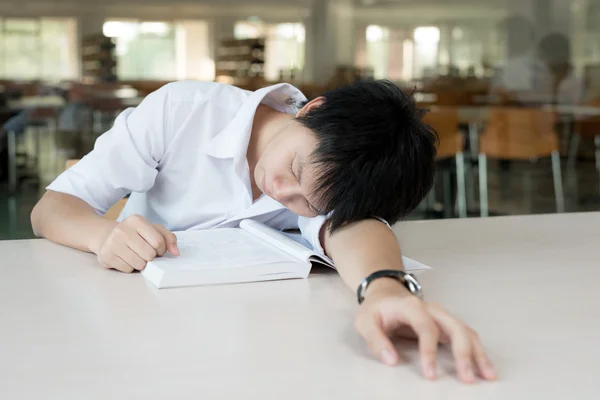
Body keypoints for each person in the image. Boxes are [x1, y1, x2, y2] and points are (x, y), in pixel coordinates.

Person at [31, 80, 496, 383]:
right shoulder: (182, 112)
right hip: (133, 328)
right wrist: (101, 235)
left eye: (304, 202)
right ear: (313, 109)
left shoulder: (334, 186)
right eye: (295, 166)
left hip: (252, 350)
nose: (278, 189)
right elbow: (50, 209)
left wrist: (384, 291)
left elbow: (353, 230)